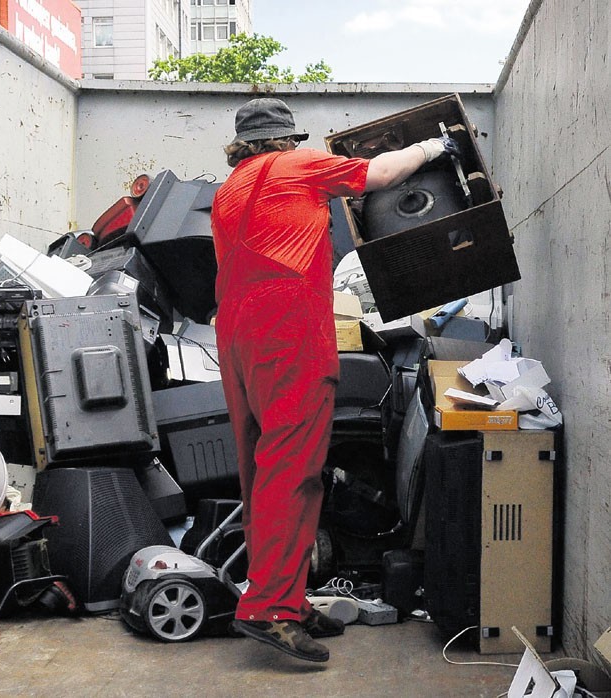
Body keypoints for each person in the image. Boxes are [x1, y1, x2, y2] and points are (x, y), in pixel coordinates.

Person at [210, 97, 456, 663]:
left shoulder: (229, 190)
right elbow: (379, 175)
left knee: (265, 470)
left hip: (238, 335)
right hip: (287, 331)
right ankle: (270, 608)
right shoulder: (299, 166)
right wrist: (434, 146)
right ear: (284, 139)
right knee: (293, 471)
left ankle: (287, 599)